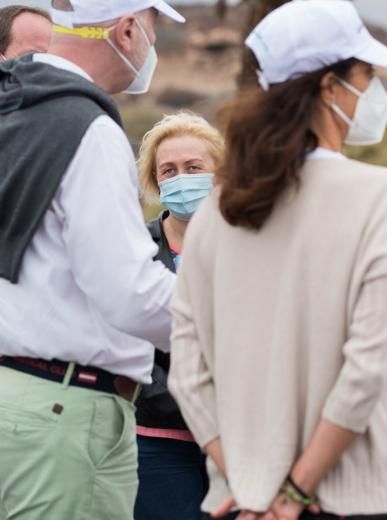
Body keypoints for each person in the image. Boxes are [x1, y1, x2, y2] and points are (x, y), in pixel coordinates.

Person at [167, 1, 387, 519]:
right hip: (363, 496)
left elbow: (187, 372)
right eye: (367, 75)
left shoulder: (219, 206)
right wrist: (294, 495)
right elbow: (366, 369)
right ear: (331, 87)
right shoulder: (380, 195)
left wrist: (250, 484)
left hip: (242, 499)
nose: (373, 92)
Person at [0, 1, 185, 518]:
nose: (152, 45)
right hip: (67, 411)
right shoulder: (87, 126)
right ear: (126, 30)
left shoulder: (16, 104)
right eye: (152, 29)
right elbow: (129, 293)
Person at [134, 112, 224, 520]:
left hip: (239, 441)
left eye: (194, 167)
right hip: (161, 441)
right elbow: (128, 335)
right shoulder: (137, 248)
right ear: (156, 181)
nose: (181, 178)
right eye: (168, 170)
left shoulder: (250, 242)